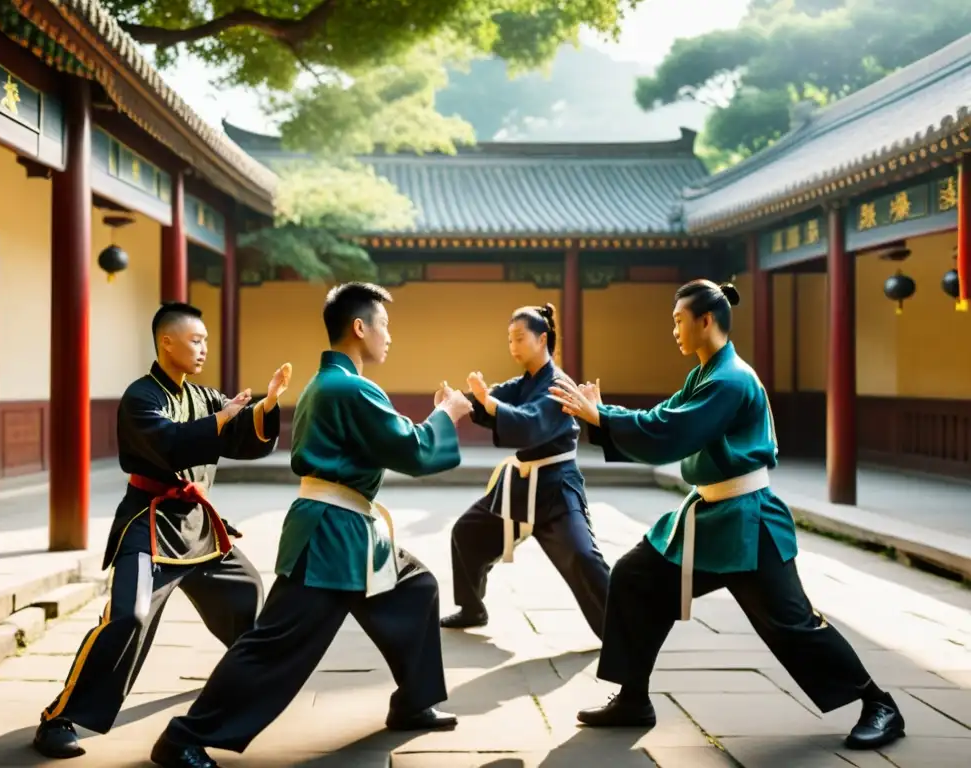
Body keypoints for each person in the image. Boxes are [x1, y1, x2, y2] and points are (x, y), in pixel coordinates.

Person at [547, 279, 904, 751]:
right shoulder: (706, 373)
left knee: (791, 623)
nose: (673, 329)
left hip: (748, 523)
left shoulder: (730, 379)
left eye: (678, 320)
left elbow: (672, 430)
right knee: (636, 576)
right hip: (711, 516)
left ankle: (879, 704)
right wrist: (602, 412)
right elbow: (667, 415)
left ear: (705, 321)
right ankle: (633, 697)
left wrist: (601, 418)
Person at [149, 282, 474, 768]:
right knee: (278, 645)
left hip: (348, 531)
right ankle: (183, 738)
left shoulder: (333, 384)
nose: (389, 336)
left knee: (416, 586)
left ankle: (413, 701)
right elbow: (411, 449)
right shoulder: (350, 387)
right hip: (331, 537)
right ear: (359, 327)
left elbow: (386, 440)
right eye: (384, 325)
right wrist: (446, 415)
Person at [33, 301, 292, 760]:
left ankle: (235, 692)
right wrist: (222, 418)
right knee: (128, 617)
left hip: (198, 527)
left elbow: (240, 442)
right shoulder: (141, 397)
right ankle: (58, 718)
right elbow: (170, 445)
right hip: (148, 522)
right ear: (166, 341)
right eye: (196, 340)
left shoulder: (206, 396)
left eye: (206, 341)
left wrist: (267, 407)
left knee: (247, 596)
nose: (203, 349)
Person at [438, 303, 610, 638]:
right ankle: (472, 607)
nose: (513, 346)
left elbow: (531, 422)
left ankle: (620, 632)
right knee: (466, 533)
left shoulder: (560, 384)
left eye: (519, 338)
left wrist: (490, 403)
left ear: (542, 338)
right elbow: (489, 401)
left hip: (557, 487)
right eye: (510, 340)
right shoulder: (524, 382)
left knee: (583, 557)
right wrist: (456, 402)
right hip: (520, 485)